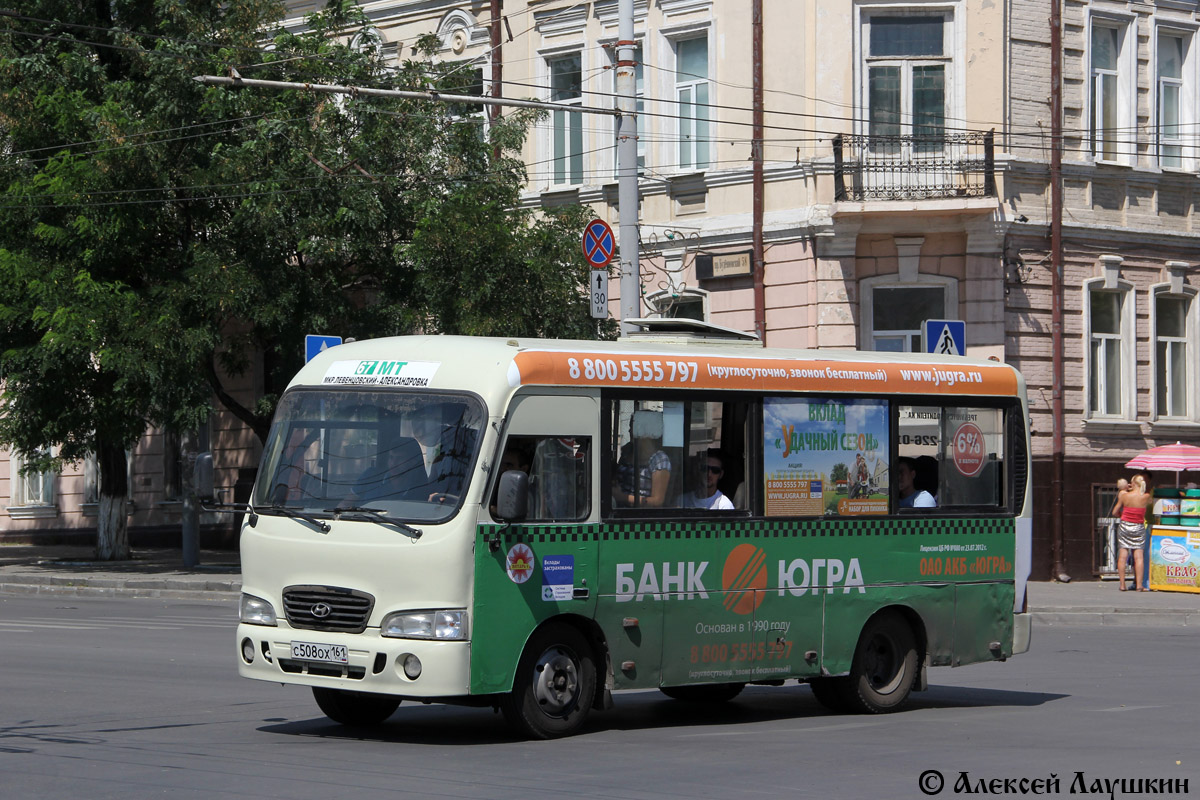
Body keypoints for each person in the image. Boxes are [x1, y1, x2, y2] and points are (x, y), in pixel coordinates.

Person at [612, 410, 672, 508]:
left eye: (633, 427)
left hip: (641, 516)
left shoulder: (659, 460)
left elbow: (657, 501)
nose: (629, 431)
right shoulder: (627, 451)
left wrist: (622, 497)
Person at [1110, 473, 1152, 591]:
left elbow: (1114, 512)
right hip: (1138, 527)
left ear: (1133, 483)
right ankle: (1139, 585)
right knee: (1139, 557)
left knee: (1123, 556)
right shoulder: (1146, 496)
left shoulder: (1124, 496)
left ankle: (1122, 585)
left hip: (1125, 526)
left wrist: (1121, 514)